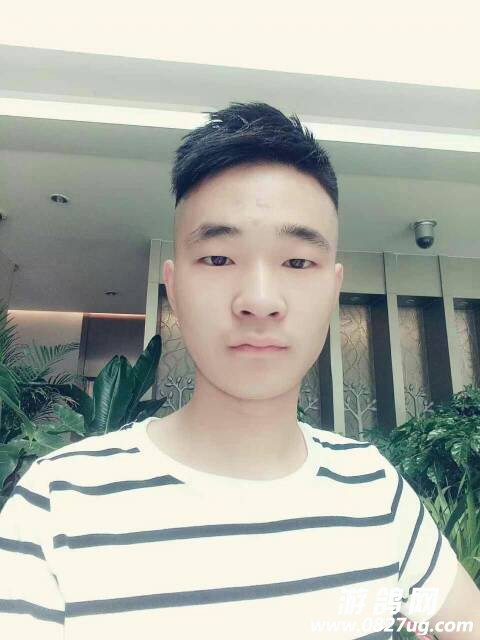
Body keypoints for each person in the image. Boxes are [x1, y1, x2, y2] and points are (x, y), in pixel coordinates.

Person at [1, 102, 478, 639]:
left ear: (333, 289)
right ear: (174, 287)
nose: (259, 300)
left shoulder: (374, 487)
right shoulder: (58, 504)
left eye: (297, 262)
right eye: (219, 259)